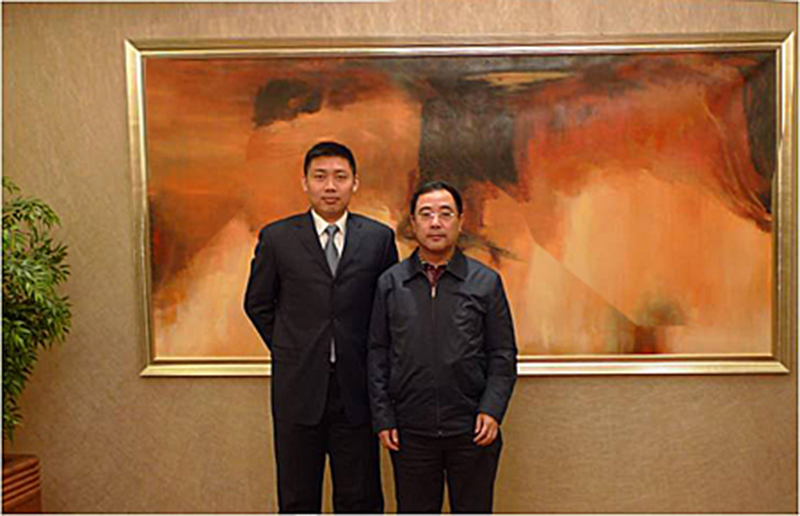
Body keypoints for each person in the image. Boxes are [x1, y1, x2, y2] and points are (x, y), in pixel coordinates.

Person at [244, 141, 398, 513]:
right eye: (320, 177)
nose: (330, 186)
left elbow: (389, 312)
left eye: (340, 177)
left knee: (359, 498)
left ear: (355, 183)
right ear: (305, 183)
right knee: (298, 498)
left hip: (356, 388)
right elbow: (258, 303)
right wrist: (291, 346)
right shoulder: (277, 238)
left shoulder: (378, 239)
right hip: (298, 388)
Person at [368, 180, 518, 513]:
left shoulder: (485, 282)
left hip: (472, 429)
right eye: (426, 214)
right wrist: (383, 417)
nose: (435, 223)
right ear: (413, 223)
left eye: (445, 213)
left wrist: (491, 410)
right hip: (411, 432)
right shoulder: (391, 283)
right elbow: (377, 354)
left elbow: (502, 354)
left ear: (460, 221)